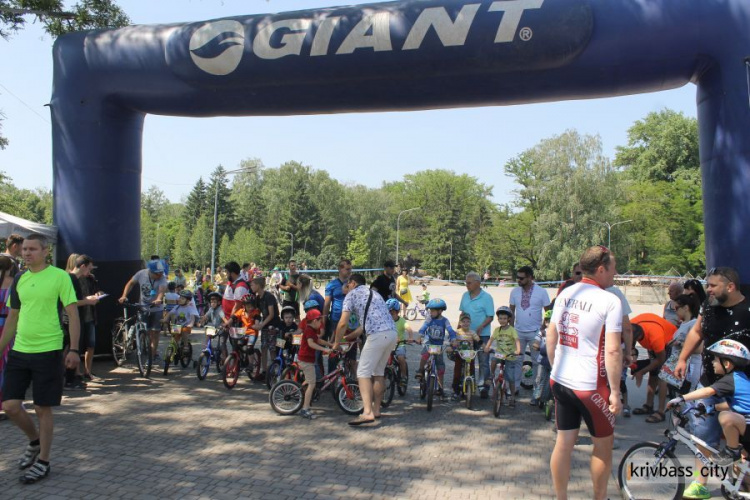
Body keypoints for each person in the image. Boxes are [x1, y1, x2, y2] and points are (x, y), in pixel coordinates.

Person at [0, 233, 81, 484]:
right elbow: (12, 317)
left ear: (45, 251)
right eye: (24, 249)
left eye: (32, 249)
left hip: (48, 350)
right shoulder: (20, 279)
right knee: (10, 405)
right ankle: (34, 441)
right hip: (20, 350)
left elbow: (73, 314)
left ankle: (44, 461)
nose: (27, 253)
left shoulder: (60, 277)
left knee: (41, 407)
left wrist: (74, 350)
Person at [547, 245, 623, 500]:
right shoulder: (610, 300)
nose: (615, 274)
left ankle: (561, 497)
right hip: (591, 386)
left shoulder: (566, 292)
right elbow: (613, 351)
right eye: (613, 269)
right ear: (601, 269)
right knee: (603, 446)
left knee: (564, 443)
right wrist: (615, 393)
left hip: (560, 380)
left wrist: (554, 367)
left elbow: (551, 334)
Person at [674, 267, 750, 499]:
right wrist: (682, 358)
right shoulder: (709, 305)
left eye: (713, 286)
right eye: (707, 285)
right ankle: (700, 483)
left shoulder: (747, 310)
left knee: (739, 438)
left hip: (741, 386)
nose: (708, 290)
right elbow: (697, 332)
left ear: (730, 286)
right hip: (709, 381)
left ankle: (742, 481)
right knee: (703, 432)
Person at [667, 333, 750, 466]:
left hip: (746, 426)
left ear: (727, 364)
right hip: (745, 426)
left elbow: (707, 392)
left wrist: (681, 398)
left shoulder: (732, 380)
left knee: (726, 417)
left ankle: (731, 451)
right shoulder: (739, 379)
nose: (712, 362)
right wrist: (710, 408)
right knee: (741, 470)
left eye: (716, 359)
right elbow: (731, 405)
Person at [333, 273, 397, 426]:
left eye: (347, 285)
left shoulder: (351, 295)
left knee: (362, 372)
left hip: (377, 335)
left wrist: (336, 343)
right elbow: (365, 325)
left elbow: (342, 323)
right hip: (391, 333)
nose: (347, 288)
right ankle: (376, 410)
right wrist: (348, 338)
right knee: (378, 373)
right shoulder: (374, 294)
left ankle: (367, 412)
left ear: (353, 283)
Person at [509, 265, 550, 394]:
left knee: (537, 362)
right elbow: (511, 311)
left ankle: (537, 391)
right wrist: (511, 329)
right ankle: (514, 388)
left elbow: (549, 312)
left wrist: (543, 329)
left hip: (535, 333)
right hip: (518, 332)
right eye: (517, 278)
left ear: (530, 277)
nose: (518, 280)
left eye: (521, 278)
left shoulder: (542, 292)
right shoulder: (514, 292)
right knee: (516, 361)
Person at [629, 313, 677, 423]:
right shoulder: (631, 325)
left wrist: (641, 372)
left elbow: (660, 359)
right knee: (653, 372)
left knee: (662, 376)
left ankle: (661, 411)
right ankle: (649, 405)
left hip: (669, 343)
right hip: (653, 341)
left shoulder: (655, 336)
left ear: (638, 338)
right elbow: (630, 348)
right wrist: (633, 359)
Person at [118, 258, 168, 364]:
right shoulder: (141, 274)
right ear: (151, 271)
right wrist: (124, 296)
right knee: (147, 332)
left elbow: (162, 290)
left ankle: (152, 356)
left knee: (155, 333)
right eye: (157, 274)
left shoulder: (162, 278)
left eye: (161, 273)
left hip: (156, 308)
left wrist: (159, 298)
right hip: (144, 307)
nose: (160, 275)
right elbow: (131, 283)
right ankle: (144, 349)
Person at [459, 272, 494, 397]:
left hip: (482, 335)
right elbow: (462, 313)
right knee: (467, 360)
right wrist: (458, 329)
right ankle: (469, 384)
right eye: (466, 282)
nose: (466, 285)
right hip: (467, 335)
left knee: (483, 361)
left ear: (477, 283)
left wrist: (482, 326)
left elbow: (490, 316)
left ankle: (484, 386)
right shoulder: (465, 295)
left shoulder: (487, 297)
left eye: (469, 283)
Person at [415, 298, 457, 397]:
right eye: (430, 310)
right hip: (429, 342)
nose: (430, 312)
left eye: (433, 311)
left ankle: (440, 387)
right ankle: (421, 370)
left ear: (440, 311)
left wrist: (454, 339)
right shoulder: (429, 318)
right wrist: (419, 336)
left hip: (439, 345)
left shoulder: (445, 321)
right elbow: (424, 327)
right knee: (425, 354)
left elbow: (450, 330)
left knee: (440, 367)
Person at [71, 255, 102, 382]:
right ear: (82, 266)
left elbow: (95, 291)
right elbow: (71, 302)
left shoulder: (91, 278)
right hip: (78, 316)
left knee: (91, 344)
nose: (90, 272)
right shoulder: (71, 279)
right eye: (89, 269)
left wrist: (97, 295)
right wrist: (87, 301)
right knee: (76, 345)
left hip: (90, 315)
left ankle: (87, 372)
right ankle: (75, 373)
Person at [297, 309, 333, 420]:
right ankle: (305, 409)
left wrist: (330, 344)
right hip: (305, 361)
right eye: (319, 321)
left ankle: (301, 393)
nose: (321, 323)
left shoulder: (312, 330)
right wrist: (324, 350)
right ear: (314, 321)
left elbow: (318, 340)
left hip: (308, 360)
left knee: (309, 381)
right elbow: (311, 343)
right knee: (312, 384)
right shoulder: (308, 330)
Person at [485, 306, 520, 407]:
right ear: (498, 319)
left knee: (511, 379)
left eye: (505, 318)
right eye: (500, 318)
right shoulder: (497, 330)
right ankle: (491, 374)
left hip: (510, 356)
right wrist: (487, 347)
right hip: (500, 354)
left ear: (509, 319)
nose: (502, 320)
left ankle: (512, 396)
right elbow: (491, 339)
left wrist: (518, 350)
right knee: (493, 359)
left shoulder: (512, 330)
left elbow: (517, 340)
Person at [669, 294, 702, 393]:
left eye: (676, 308)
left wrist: (679, 343)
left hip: (692, 367)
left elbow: (699, 349)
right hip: (682, 367)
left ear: (686, 308)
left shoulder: (694, 324)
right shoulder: (683, 324)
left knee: (690, 396)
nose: (675, 311)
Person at [0, 255, 19, 420]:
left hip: (5, 325)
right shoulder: (14, 283)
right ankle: (7, 401)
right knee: (6, 365)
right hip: (8, 327)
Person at [250, 276, 280, 380]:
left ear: (258, 285)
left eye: (252, 285)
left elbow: (271, 314)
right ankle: (264, 371)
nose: (251, 287)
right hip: (265, 326)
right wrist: (257, 323)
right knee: (263, 348)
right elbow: (258, 313)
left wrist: (261, 325)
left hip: (274, 325)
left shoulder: (269, 296)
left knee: (272, 349)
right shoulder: (258, 298)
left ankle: (275, 371)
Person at [451, 312, 480, 400]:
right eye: (463, 321)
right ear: (460, 323)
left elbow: (478, 340)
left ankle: (470, 387)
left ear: (470, 323)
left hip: (469, 355)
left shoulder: (472, 332)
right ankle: (455, 391)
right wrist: (452, 345)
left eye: (468, 321)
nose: (466, 323)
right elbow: (452, 341)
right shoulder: (457, 333)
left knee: (471, 371)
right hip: (460, 354)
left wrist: (484, 346)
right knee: (457, 372)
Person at [386, 298, 411, 392]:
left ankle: (403, 377)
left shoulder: (402, 321)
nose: (390, 316)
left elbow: (409, 329)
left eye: (392, 313)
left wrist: (410, 337)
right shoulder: (386, 321)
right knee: (382, 360)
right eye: (388, 313)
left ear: (397, 312)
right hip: (388, 345)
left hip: (399, 345)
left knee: (401, 358)